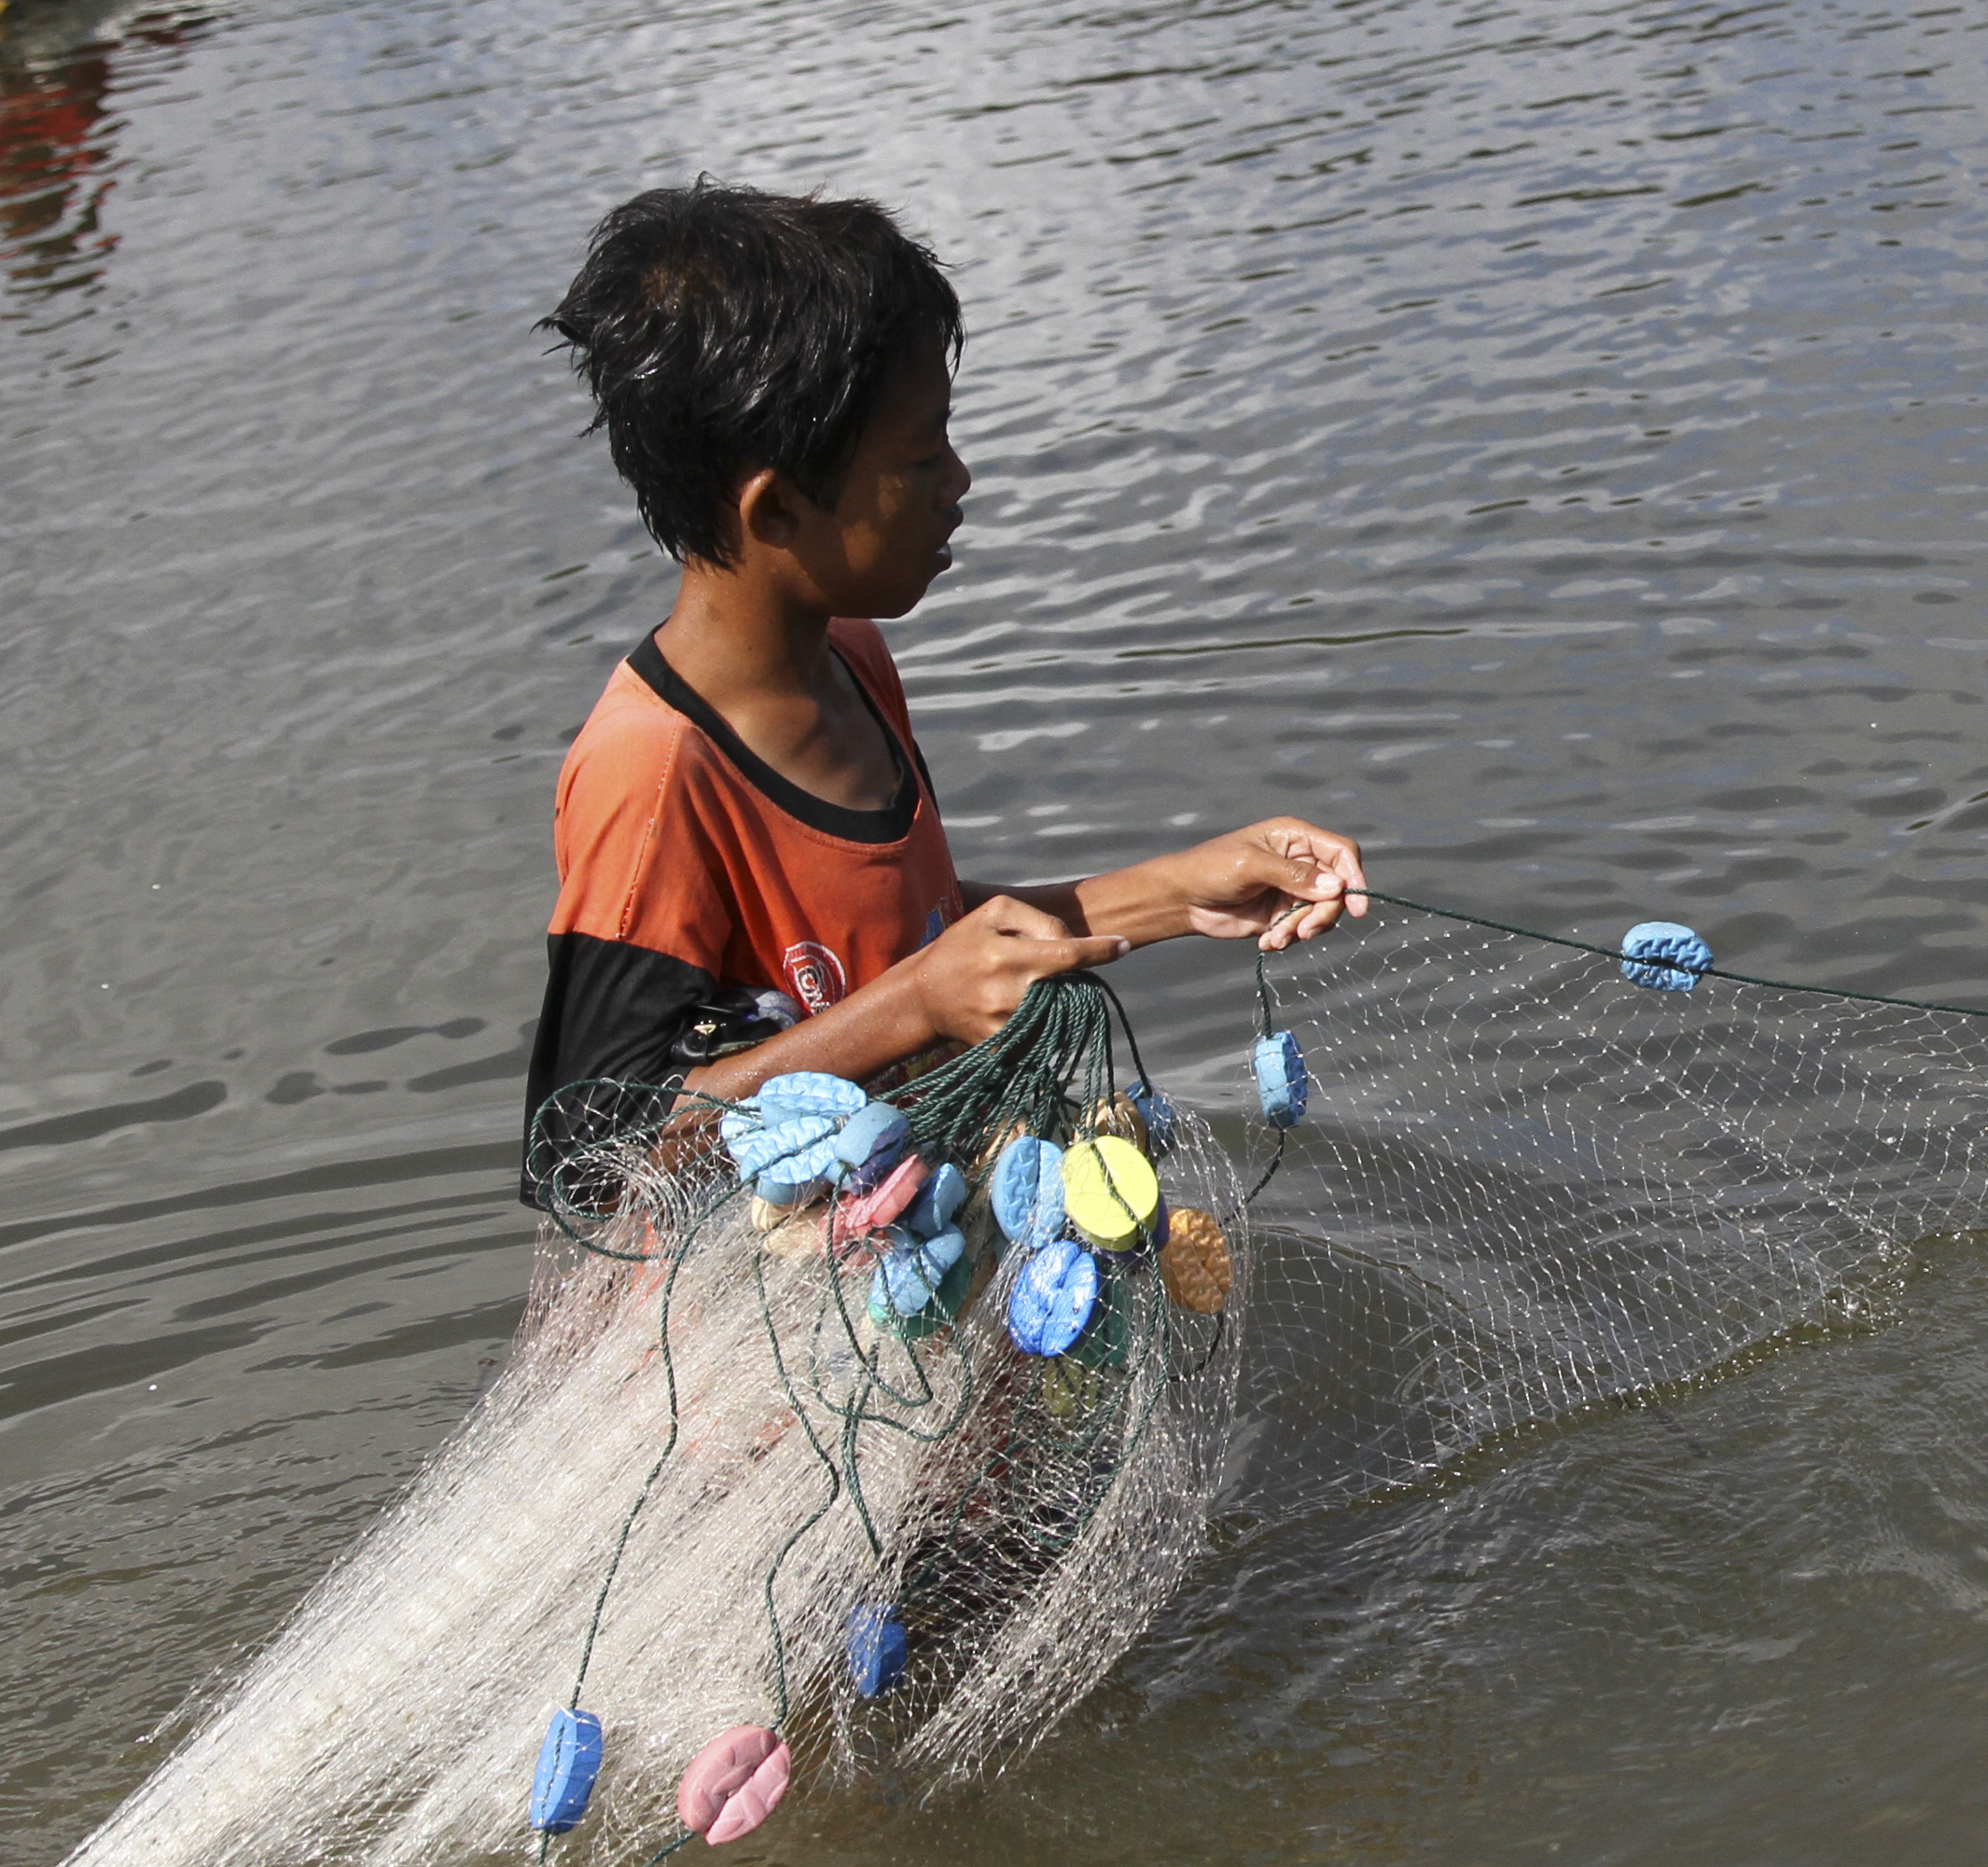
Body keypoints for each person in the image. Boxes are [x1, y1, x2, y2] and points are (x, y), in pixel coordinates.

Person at [517, 181, 1366, 1205]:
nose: (957, 480)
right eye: (920, 457)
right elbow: (588, 1153)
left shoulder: (852, 661)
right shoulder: (651, 776)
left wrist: (1183, 889)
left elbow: (902, 938)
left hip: (913, 1234)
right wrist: (913, 1009)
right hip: (754, 1318)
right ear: (776, 505)